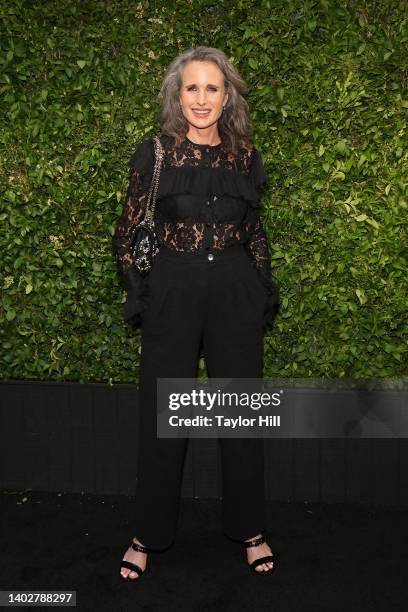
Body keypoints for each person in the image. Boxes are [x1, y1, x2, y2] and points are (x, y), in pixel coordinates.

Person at [112, 46, 280, 581]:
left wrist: (260, 286)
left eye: (212, 88)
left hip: (233, 290)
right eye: (192, 88)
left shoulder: (245, 157)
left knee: (239, 413)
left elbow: (254, 232)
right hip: (173, 289)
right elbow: (127, 231)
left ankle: (250, 528)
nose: (202, 99)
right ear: (177, 95)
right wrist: (144, 290)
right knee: (163, 416)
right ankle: (148, 533)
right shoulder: (156, 153)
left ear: (226, 96)